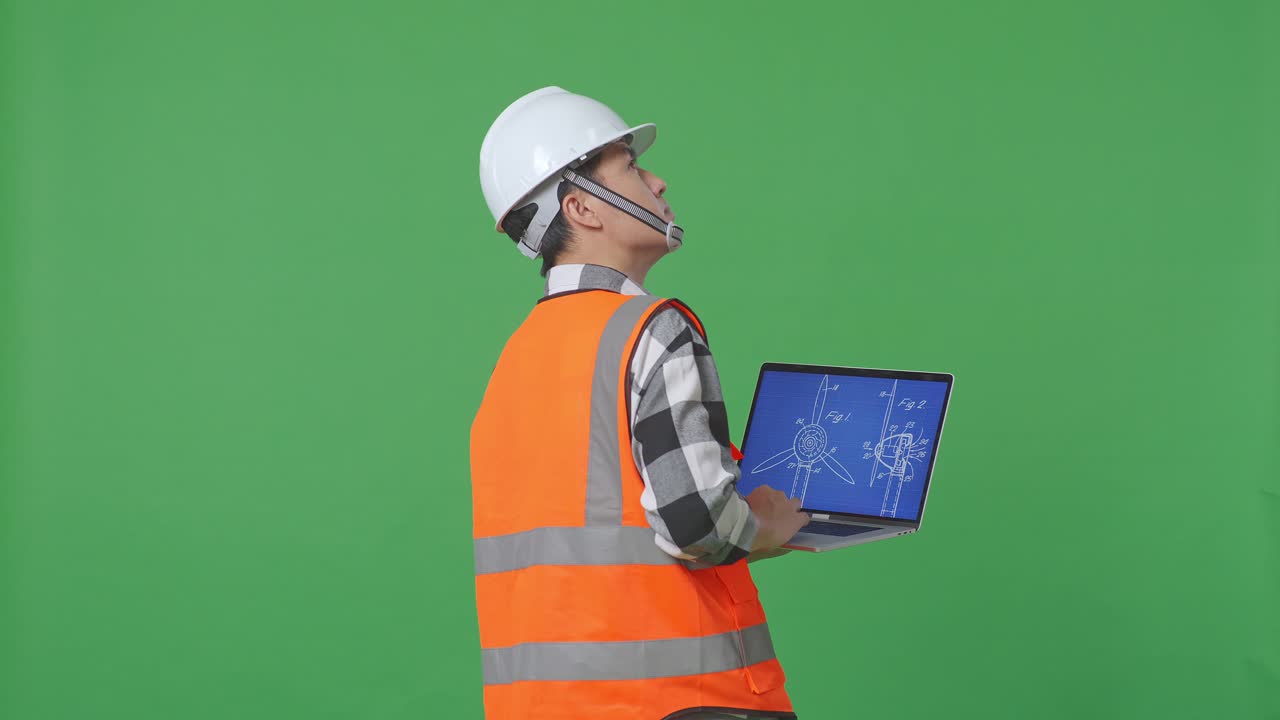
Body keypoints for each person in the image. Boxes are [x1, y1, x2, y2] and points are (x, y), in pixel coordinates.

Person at [471, 86, 811, 720]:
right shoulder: (651, 329)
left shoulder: (512, 361)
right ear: (582, 207)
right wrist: (768, 525)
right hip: (685, 704)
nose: (657, 180)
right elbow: (699, 524)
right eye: (628, 164)